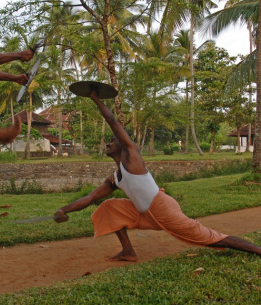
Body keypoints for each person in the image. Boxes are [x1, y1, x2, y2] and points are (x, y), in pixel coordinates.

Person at [54, 85, 261, 262]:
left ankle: (257, 250)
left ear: (122, 144)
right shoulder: (114, 178)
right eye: (108, 141)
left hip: (162, 207)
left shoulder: (132, 158)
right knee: (109, 207)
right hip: (143, 212)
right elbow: (91, 198)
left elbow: (113, 122)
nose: (108, 143)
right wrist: (64, 210)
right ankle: (128, 251)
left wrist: (95, 98)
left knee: (209, 236)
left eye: (112, 140)